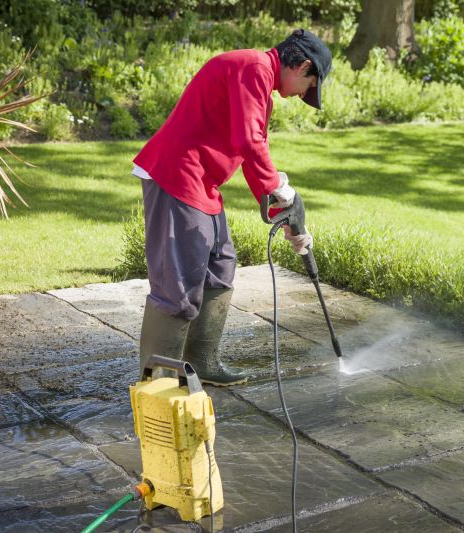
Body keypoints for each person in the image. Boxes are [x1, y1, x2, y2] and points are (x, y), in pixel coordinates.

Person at [132, 29, 332, 386]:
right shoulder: (253, 67)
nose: (304, 94)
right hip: (176, 174)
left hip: (201, 182)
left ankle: (201, 364)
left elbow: (251, 152)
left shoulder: (259, 80)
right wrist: (279, 189)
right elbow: (249, 141)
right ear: (301, 66)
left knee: (220, 264)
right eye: (309, 85)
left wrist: (282, 213)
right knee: (178, 281)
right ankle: (157, 384)